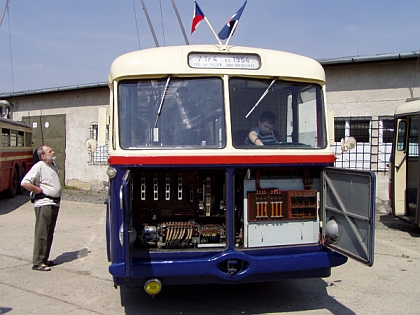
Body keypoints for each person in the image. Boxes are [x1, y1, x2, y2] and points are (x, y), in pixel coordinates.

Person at [21, 145, 62, 271]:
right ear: (43, 156)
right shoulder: (39, 166)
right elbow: (25, 182)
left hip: (54, 203)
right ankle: (38, 262)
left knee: (49, 232)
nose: (53, 152)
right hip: (44, 203)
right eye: (50, 151)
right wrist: (38, 190)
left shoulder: (53, 166)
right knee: (42, 233)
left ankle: (44, 259)